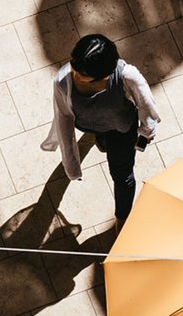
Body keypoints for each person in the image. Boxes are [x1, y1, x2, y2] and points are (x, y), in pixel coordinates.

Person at [41, 34, 161, 224]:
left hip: (122, 131)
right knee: (103, 142)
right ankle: (100, 140)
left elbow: (147, 107)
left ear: (106, 75)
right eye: (74, 67)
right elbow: (63, 117)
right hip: (89, 124)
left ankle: (122, 218)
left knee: (123, 177)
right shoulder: (63, 81)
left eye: (84, 76)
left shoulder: (127, 77)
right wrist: (71, 164)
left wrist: (145, 134)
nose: (75, 76)